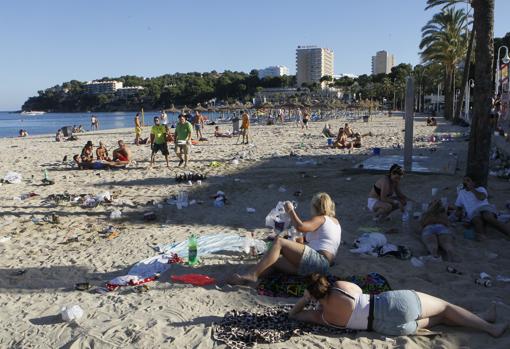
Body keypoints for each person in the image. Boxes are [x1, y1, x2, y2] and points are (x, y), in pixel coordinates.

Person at [289, 273, 507, 337]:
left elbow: (294, 315)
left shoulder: (323, 317)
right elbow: (360, 292)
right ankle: (489, 328)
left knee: (440, 318)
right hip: (392, 306)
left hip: (390, 329)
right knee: (445, 307)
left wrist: (305, 300)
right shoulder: (341, 288)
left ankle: (482, 317)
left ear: (312, 294)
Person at [228, 193, 341, 285]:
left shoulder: (322, 219)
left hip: (319, 261)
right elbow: (302, 241)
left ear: (315, 207)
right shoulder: (333, 223)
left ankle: (253, 275)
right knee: (272, 260)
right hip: (315, 268)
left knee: (279, 242)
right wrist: (290, 237)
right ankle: (245, 278)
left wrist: (290, 210)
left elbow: (300, 226)